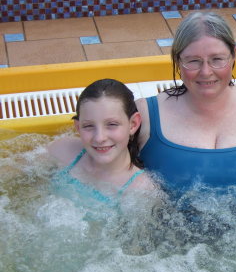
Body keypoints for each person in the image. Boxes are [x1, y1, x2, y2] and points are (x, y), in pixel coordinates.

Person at [136, 12, 236, 202]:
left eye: (217, 59)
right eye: (193, 61)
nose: (206, 72)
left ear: (233, 55)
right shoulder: (145, 115)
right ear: (177, 60)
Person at [48, 78, 163, 218]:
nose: (99, 138)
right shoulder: (62, 151)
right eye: (89, 126)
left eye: (112, 124)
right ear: (78, 127)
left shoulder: (140, 191)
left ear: (133, 124)